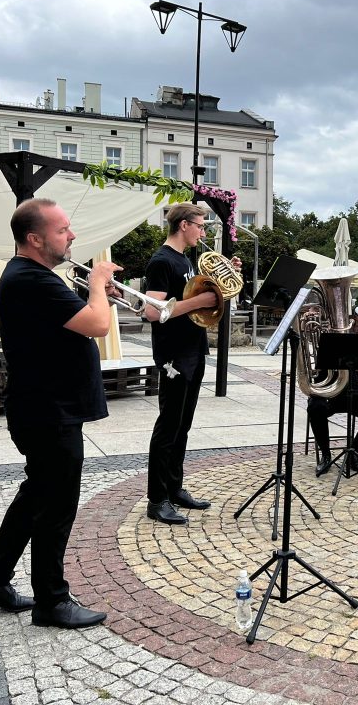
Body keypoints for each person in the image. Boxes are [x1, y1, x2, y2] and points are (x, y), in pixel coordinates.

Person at [0, 198, 116, 629]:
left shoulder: (33, 276)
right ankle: (52, 601)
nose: (71, 236)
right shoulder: (30, 278)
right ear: (34, 238)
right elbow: (97, 325)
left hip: (46, 409)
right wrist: (99, 282)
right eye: (62, 230)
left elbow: (82, 317)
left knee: (34, 499)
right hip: (50, 412)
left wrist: (98, 294)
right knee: (55, 509)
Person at [142, 203, 240, 525]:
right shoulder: (161, 261)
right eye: (200, 225)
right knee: (168, 427)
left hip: (193, 351)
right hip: (173, 354)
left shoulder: (186, 260)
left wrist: (227, 277)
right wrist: (199, 301)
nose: (203, 230)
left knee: (182, 426)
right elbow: (152, 312)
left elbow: (203, 294)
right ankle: (157, 500)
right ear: (184, 225)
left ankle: (174, 488)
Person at [309, 371, 358, 476]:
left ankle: (354, 452)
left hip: (352, 390)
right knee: (315, 409)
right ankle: (325, 454)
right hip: (324, 392)